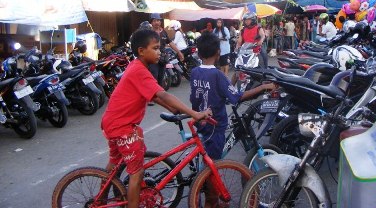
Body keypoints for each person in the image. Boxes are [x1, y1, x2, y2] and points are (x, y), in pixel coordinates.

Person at [101, 28, 212, 208]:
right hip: (123, 127)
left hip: (112, 123)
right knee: (136, 173)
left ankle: (101, 197)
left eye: (159, 48)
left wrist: (171, 109)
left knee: (114, 164)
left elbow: (152, 95)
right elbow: (163, 94)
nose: (159, 52)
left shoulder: (136, 66)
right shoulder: (140, 71)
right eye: (155, 48)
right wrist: (195, 114)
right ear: (141, 51)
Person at [190, 32, 275, 206]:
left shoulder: (195, 72)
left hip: (201, 123)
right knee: (212, 169)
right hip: (215, 126)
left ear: (199, 54)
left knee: (208, 162)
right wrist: (263, 87)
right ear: (218, 53)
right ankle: (211, 202)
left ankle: (209, 197)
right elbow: (237, 97)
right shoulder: (218, 75)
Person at [149, 13, 184, 87]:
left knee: (161, 78)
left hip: (162, 58)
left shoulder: (163, 32)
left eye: (158, 20)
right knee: (154, 76)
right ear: (151, 22)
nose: (156, 22)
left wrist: (179, 52)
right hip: (152, 59)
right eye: (154, 21)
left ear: (160, 22)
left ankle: (159, 95)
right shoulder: (149, 33)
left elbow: (170, 43)